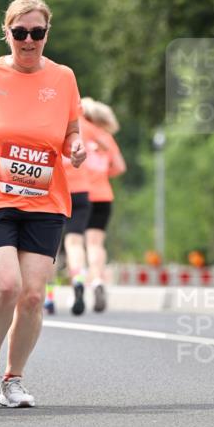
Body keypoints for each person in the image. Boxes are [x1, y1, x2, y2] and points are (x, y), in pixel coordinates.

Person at [0, 0, 86, 408]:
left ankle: (14, 377)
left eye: (37, 32)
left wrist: (76, 146)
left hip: (45, 201)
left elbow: (71, 131)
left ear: (47, 33)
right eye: (20, 32)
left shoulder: (63, 78)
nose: (28, 40)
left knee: (31, 295)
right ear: (6, 33)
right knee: (7, 285)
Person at [82, 98, 127, 313]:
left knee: (75, 242)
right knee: (96, 243)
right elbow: (119, 167)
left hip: (81, 193)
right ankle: (98, 280)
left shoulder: (81, 132)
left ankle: (79, 280)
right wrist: (103, 175)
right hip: (103, 195)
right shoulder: (106, 138)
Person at [60, 110, 94, 315]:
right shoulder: (91, 130)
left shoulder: (51, 119)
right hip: (81, 190)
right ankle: (79, 280)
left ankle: (49, 296)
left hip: (56, 190)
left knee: (50, 248)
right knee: (75, 243)